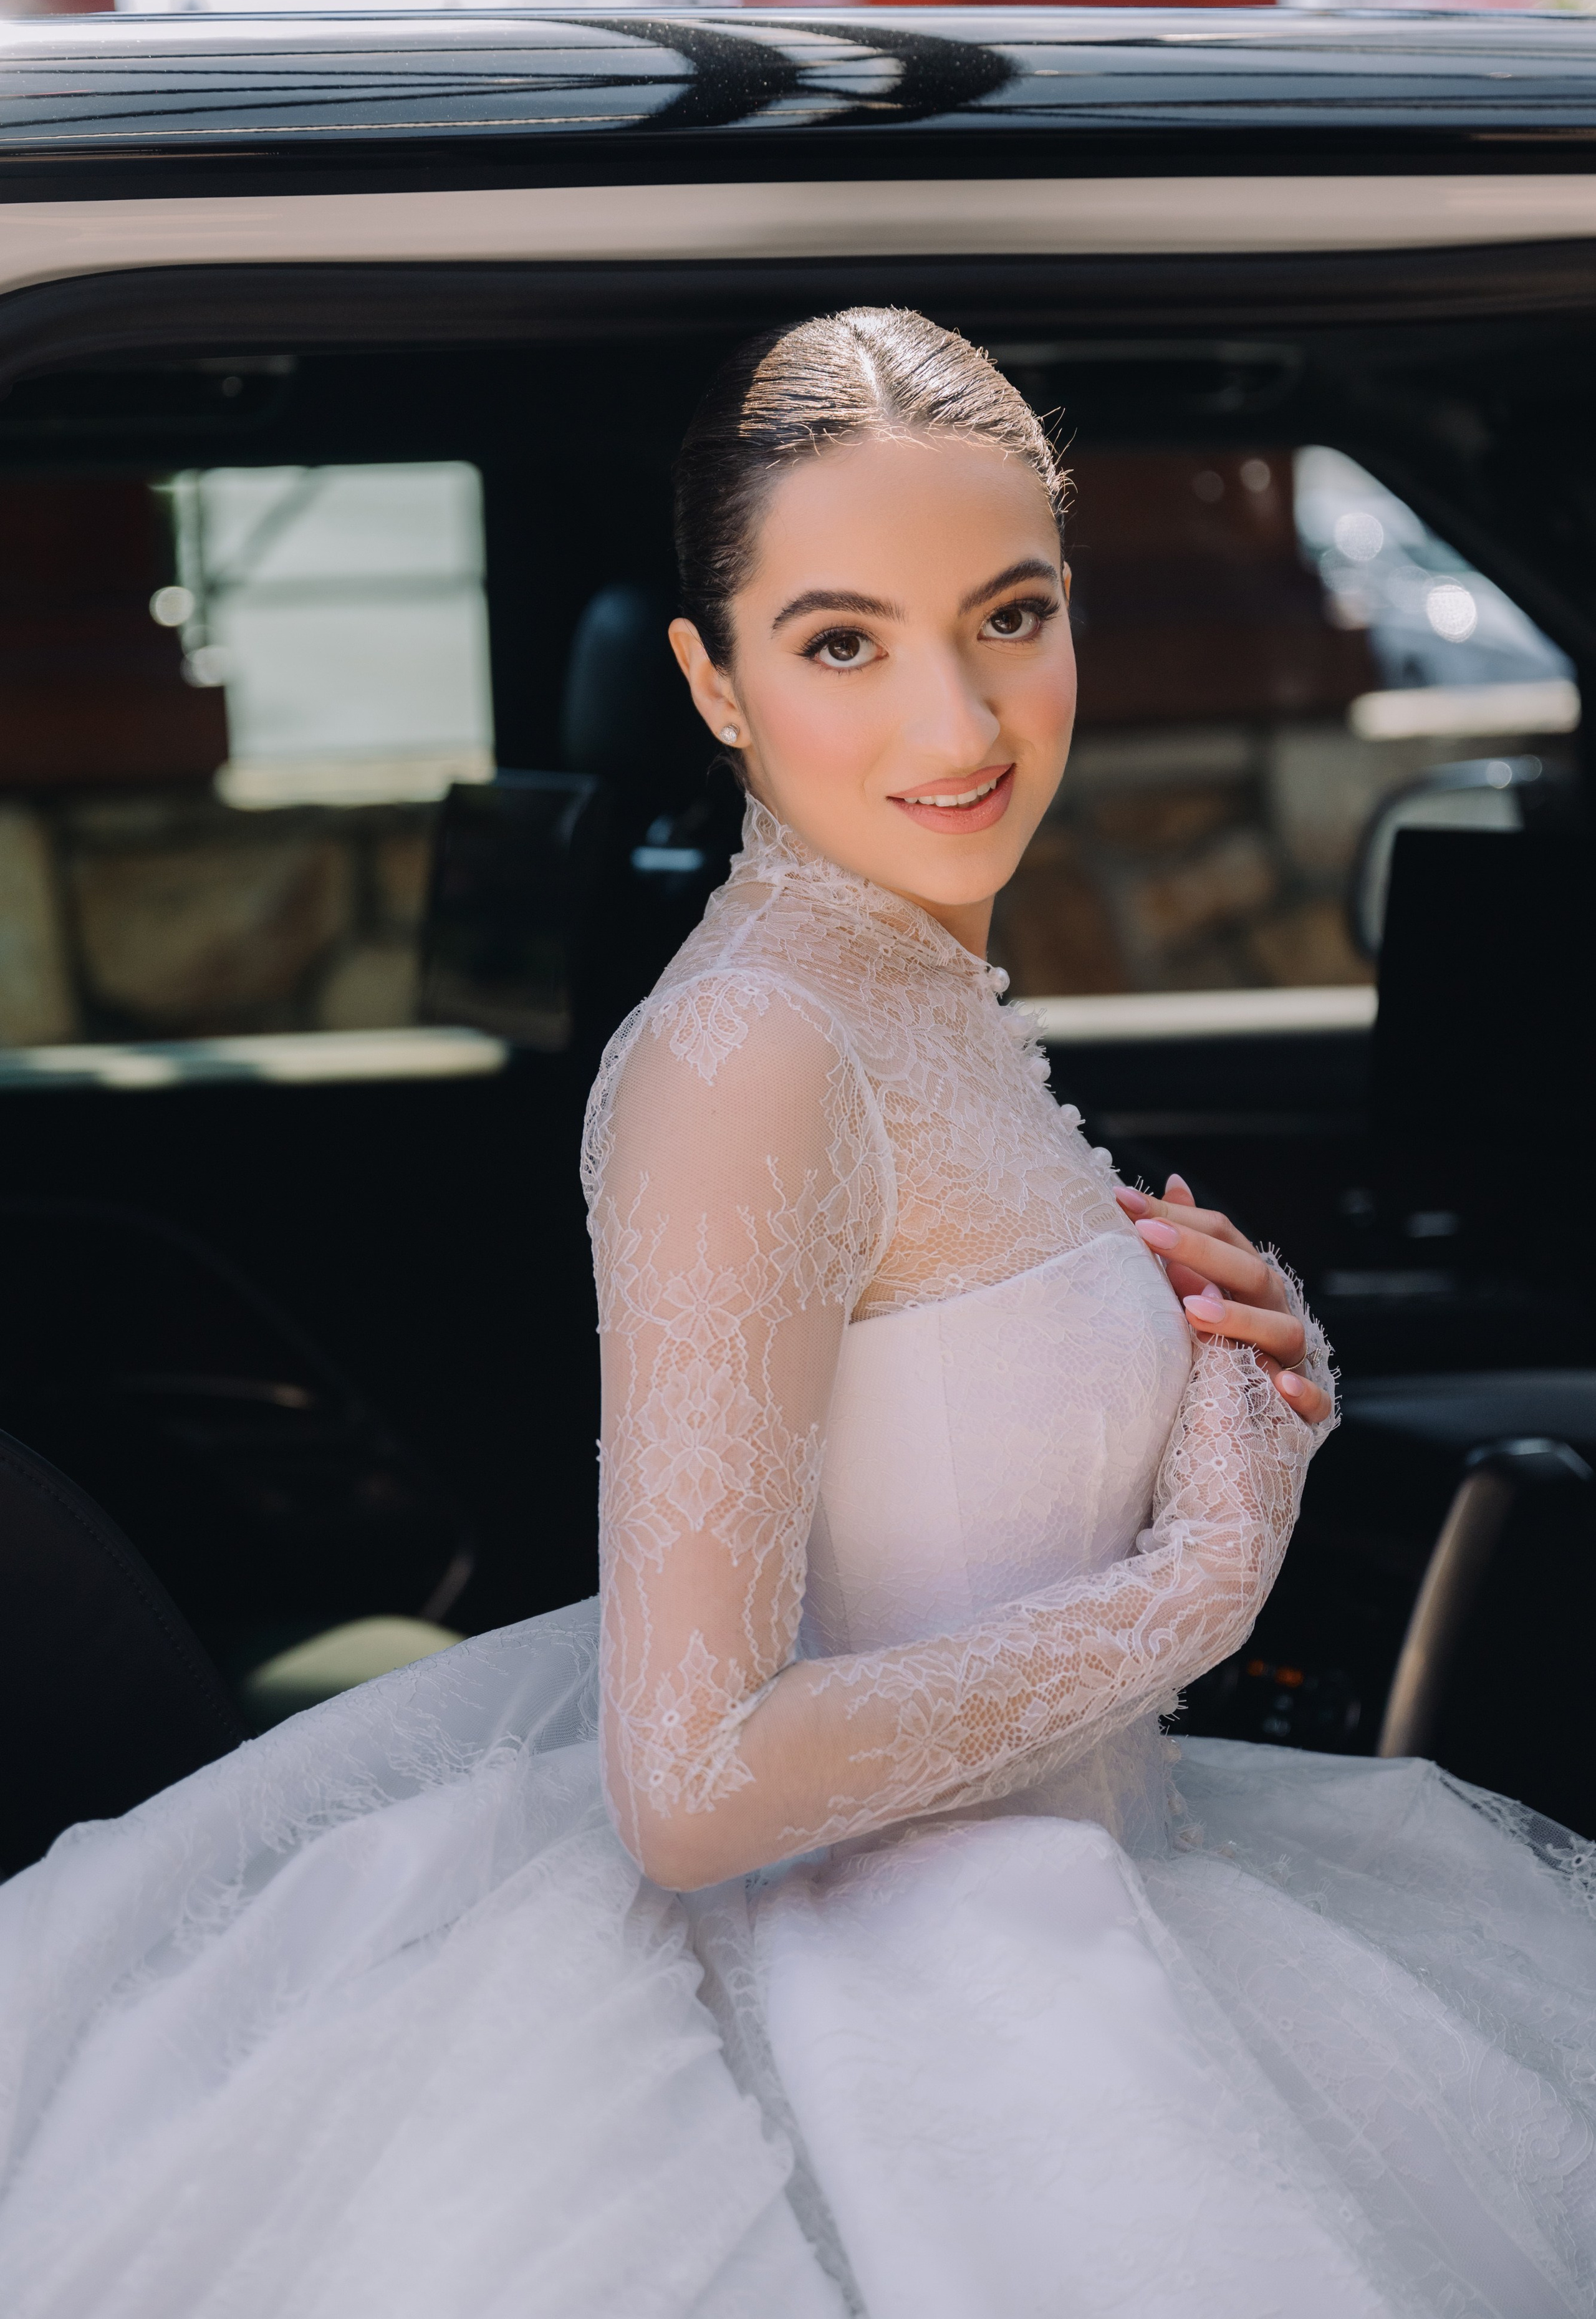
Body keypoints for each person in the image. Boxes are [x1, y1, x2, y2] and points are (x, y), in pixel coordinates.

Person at [0, 310, 1590, 2319]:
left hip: (1096, 1905)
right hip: (900, 2041)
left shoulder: (912, 990)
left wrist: (1230, 1369)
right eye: (844, 642)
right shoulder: (747, 1053)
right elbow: (691, 1785)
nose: (961, 723)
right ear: (713, 682)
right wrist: (1193, 1591)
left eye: (1012, 616)